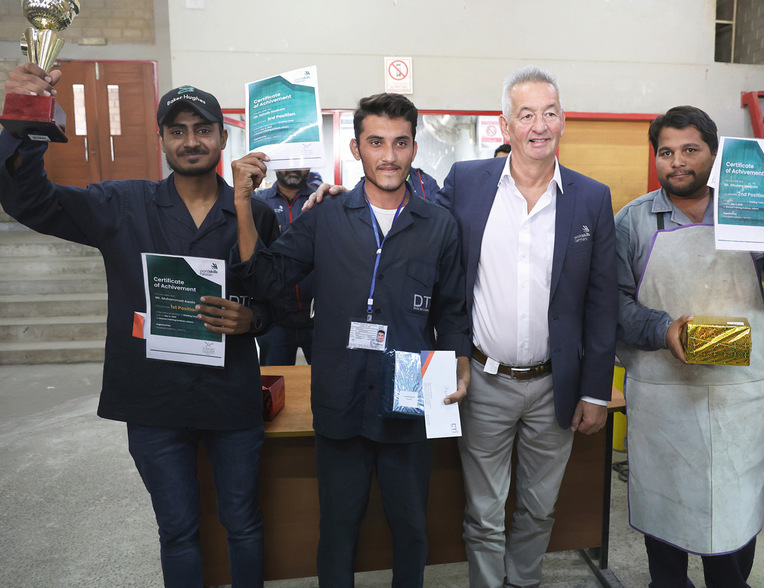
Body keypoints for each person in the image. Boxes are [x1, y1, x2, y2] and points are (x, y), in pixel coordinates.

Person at [0, 64, 282, 587]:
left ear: (223, 137)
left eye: (203, 129)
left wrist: (253, 319)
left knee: (243, 524)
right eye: (177, 131)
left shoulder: (253, 212)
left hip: (230, 395)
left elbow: (272, 300)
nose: (191, 141)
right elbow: (32, 201)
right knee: (177, 531)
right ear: (161, 140)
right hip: (153, 400)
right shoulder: (121, 205)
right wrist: (26, 124)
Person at [231, 92, 471, 588]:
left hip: (410, 394)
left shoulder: (439, 226)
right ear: (356, 148)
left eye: (400, 143)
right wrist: (241, 203)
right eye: (376, 142)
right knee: (338, 528)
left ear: (414, 147)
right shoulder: (327, 215)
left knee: (411, 527)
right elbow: (266, 278)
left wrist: (461, 361)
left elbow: (451, 311)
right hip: (340, 394)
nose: (389, 155)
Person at [614, 105, 764, 588]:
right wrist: (663, 330)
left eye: (690, 149)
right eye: (666, 152)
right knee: (665, 515)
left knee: (732, 517)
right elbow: (612, 305)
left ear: (715, 153)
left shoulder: (749, 207)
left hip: (738, 397)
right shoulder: (632, 222)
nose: (677, 162)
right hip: (663, 395)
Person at [436, 66, 618, 588]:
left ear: (563, 120)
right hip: (483, 382)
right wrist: (350, 196)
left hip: (555, 385)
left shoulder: (590, 197)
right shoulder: (467, 183)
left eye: (550, 113)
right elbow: (422, 235)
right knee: (484, 514)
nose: (540, 126)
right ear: (505, 125)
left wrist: (595, 391)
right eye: (526, 114)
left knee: (539, 508)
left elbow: (602, 302)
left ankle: (524, 581)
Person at [252, 168, 319, 365]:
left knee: (328, 380)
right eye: (286, 161)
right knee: (274, 380)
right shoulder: (258, 202)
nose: (293, 168)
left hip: (318, 318)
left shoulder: (322, 201)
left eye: (299, 161)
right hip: (273, 319)